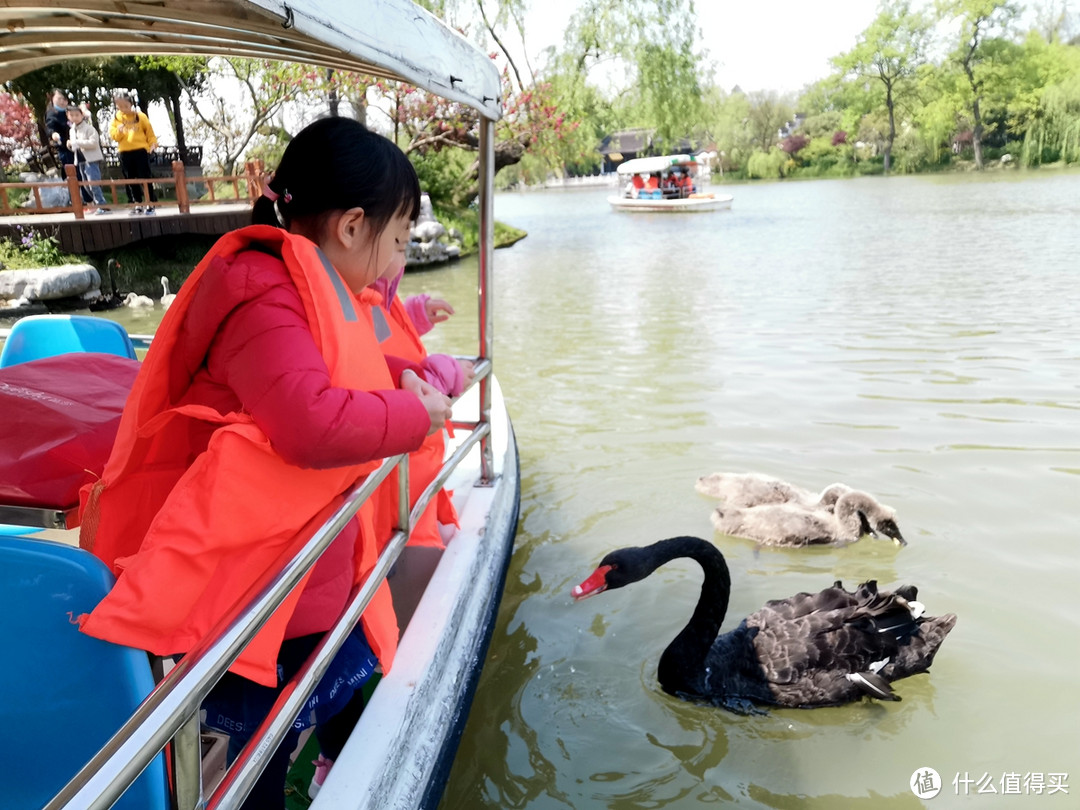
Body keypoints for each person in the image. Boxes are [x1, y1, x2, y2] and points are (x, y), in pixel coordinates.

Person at [76, 116, 452, 809]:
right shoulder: (261, 291)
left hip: (303, 566)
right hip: (255, 580)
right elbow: (308, 420)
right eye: (396, 239)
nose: (396, 259)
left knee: (314, 705)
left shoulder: (307, 287)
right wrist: (414, 416)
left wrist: (406, 374)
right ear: (349, 227)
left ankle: (327, 766)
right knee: (259, 757)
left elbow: (347, 367)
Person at [108, 93, 158, 214]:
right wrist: (119, 131)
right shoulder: (116, 119)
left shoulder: (141, 116)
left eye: (125, 105)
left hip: (140, 150)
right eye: (120, 106)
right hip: (125, 152)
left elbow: (150, 133)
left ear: (131, 103)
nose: (123, 109)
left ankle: (150, 202)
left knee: (145, 177)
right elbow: (114, 136)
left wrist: (153, 144)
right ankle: (137, 203)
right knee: (130, 179)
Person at [66, 104, 109, 212]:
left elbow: (94, 143)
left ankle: (101, 205)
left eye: (77, 115)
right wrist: (70, 145)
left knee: (93, 183)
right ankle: (100, 205)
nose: (74, 117)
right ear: (68, 116)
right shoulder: (72, 130)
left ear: (82, 115)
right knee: (86, 185)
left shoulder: (89, 128)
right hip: (80, 160)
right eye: (72, 115)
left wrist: (77, 142)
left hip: (91, 159)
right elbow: (75, 147)